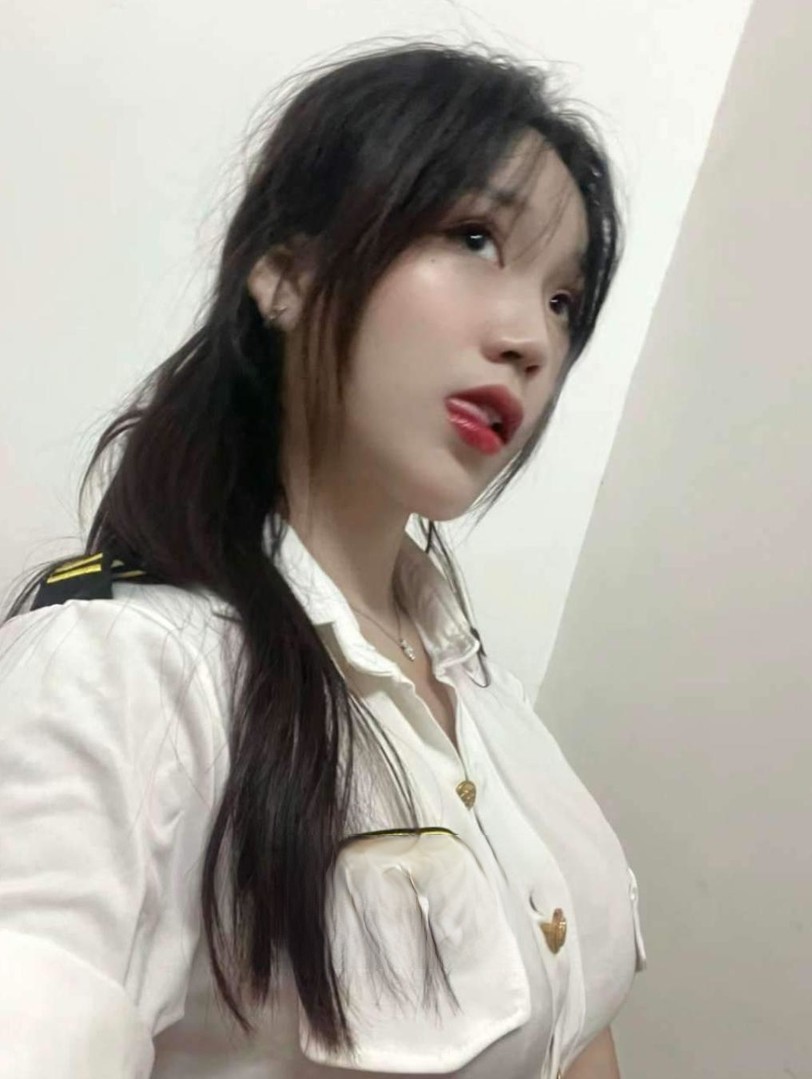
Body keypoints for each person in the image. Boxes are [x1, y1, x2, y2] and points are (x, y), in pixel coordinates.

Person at [0, 39, 646, 1079]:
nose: (531, 337)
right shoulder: (123, 679)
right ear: (288, 273)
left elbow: (578, 1029)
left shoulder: (489, 702)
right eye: (474, 237)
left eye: (564, 300)